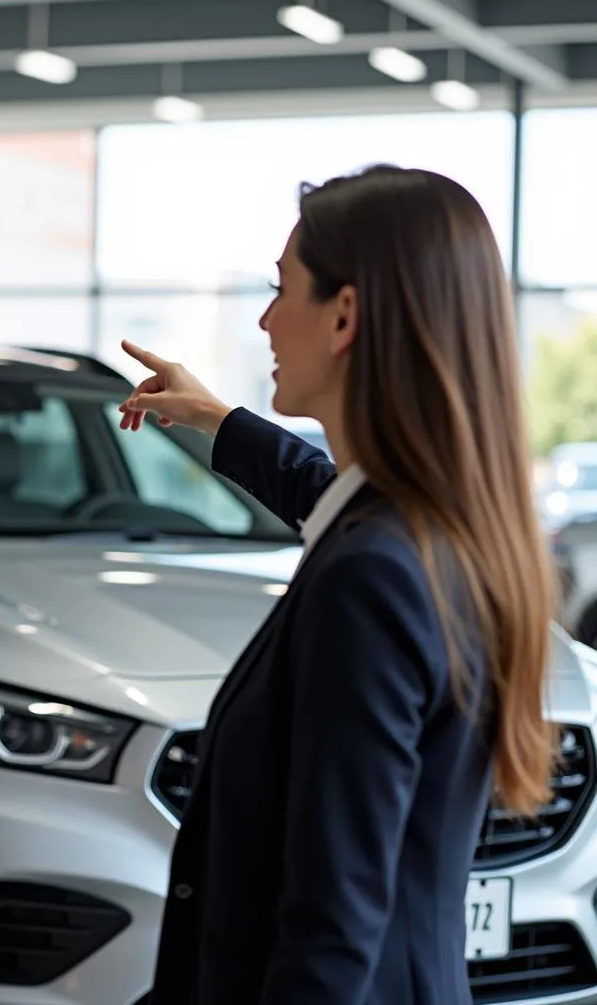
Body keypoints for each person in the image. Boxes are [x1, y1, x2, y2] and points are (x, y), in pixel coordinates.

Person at [117, 164, 557, 1004]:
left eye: (285, 289)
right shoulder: (447, 534)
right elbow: (332, 495)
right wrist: (216, 420)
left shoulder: (373, 579)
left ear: (345, 316)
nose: (266, 318)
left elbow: (331, 925)